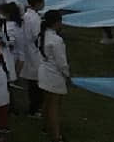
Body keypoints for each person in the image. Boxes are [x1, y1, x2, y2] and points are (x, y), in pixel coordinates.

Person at [37, 10, 69, 142]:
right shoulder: (56, 40)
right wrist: (67, 75)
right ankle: (56, 136)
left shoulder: (42, 35)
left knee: (47, 101)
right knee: (54, 105)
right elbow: (61, 62)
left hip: (44, 72)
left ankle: (46, 126)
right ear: (56, 23)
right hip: (54, 74)